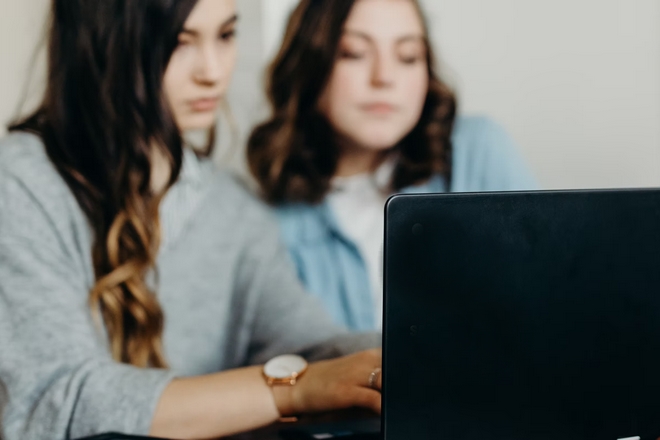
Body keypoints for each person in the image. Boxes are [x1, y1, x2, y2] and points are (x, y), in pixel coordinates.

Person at [0, 1, 383, 439]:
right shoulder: (20, 184)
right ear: (105, 44)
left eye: (225, 35)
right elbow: (55, 403)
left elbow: (315, 349)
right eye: (180, 43)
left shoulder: (232, 209)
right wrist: (291, 390)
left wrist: (418, 350)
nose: (213, 71)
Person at [247, 0, 538, 332]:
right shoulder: (263, 219)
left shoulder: (477, 151)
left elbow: (547, 300)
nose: (384, 77)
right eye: (353, 53)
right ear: (307, 65)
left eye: (408, 56)